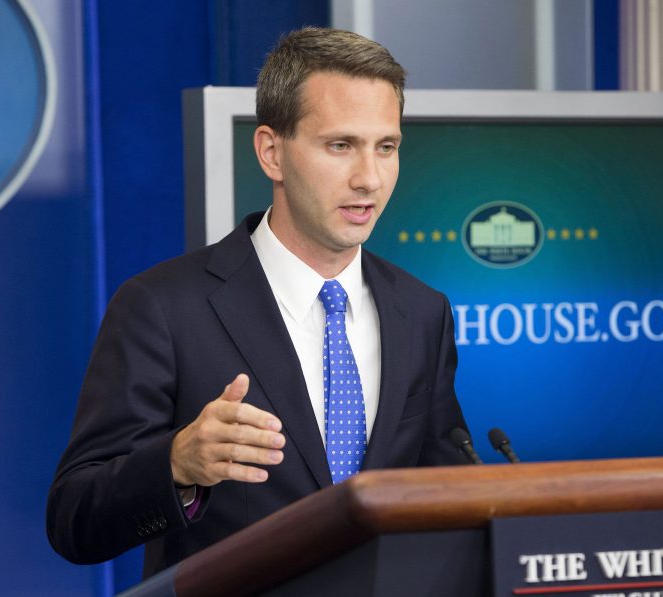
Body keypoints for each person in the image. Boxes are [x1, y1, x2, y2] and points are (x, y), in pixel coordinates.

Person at [47, 26, 467, 578]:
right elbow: (74, 518)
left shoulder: (422, 311)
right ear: (272, 152)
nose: (369, 178)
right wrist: (177, 465)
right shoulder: (163, 308)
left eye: (385, 148)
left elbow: (448, 493)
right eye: (340, 146)